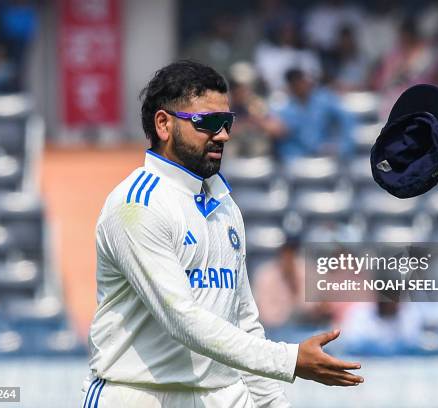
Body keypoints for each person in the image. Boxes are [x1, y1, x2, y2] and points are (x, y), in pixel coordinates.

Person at [81, 60, 363, 408]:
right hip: (137, 395)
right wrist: (288, 361)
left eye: (227, 122)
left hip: (219, 397)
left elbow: (243, 321)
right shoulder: (136, 205)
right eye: (209, 123)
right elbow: (182, 320)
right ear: (164, 124)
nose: (224, 135)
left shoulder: (225, 204)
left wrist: (274, 404)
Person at [269, 68, 355, 161]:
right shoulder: (283, 107)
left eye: (301, 81)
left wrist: (341, 145)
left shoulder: (324, 99)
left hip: (326, 155)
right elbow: (279, 132)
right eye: (295, 84)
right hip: (296, 159)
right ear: (290, 86)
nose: (300, 86)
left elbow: (347, 119)